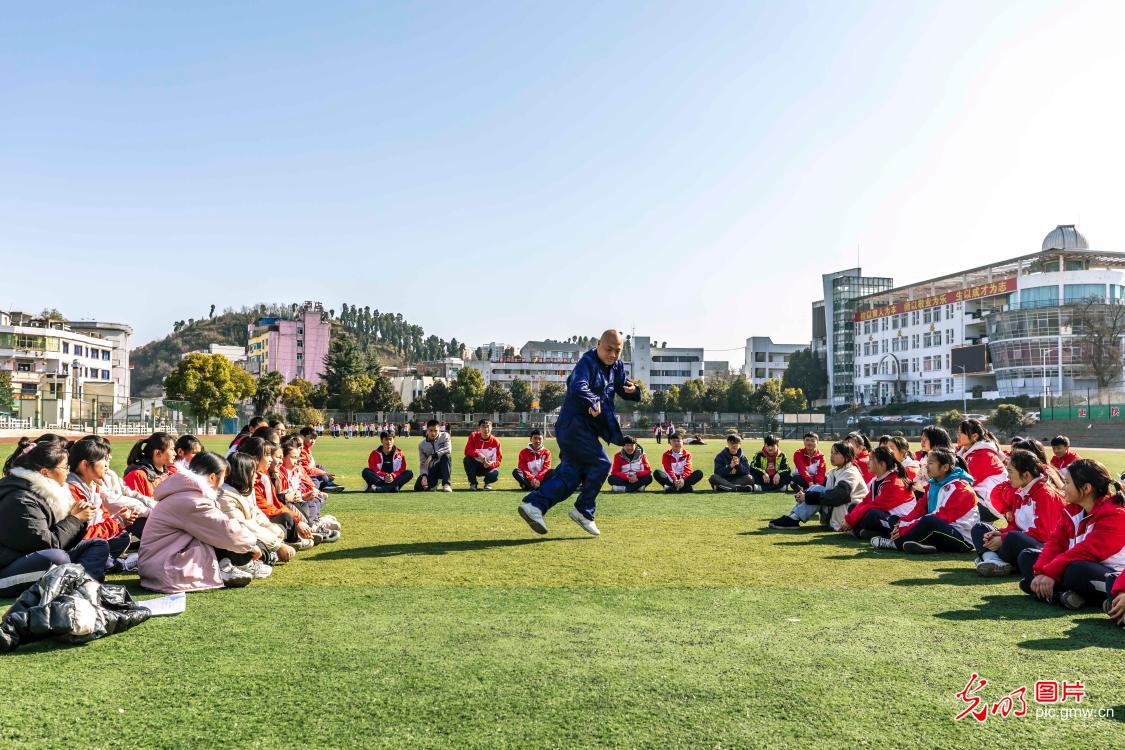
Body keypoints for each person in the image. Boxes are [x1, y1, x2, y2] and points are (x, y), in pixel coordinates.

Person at [517, 330, 641, 536]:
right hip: (572, 427)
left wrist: (634, 390)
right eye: (608, 349)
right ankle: (583, 511)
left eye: (617, 351)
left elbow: (621, 386)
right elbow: (577, 385)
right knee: (602, 463)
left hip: (588, 430)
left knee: (572, 475)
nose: (612, 355)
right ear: (599, 344)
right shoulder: (587, 362)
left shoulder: (616, 366)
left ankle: (535, 506)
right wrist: (592, 399)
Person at [138, 451, 264, 591]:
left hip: (157, 565)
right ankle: (224, 570)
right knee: (239, 546)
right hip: (168, 569)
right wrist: (252, 544)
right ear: (211, 477)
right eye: (223, 478)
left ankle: (225, 567)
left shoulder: (185, 492)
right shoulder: (193, 500)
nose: (223, 483)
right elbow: (225, 531)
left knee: (231, 540)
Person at [0, 438, 110, 597]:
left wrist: (77, 516)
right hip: (6, 569)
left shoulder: (44, 491)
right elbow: (46, 544)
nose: (68, 471)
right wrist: (75, 519)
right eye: (65, 467)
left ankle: (85, 587)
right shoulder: (20, 499)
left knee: (98, 545)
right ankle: (75, 585)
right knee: (57, 559)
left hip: (32, 557)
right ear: (45, 472)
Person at [1018, 459, 1125, 609]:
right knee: (1028, 556)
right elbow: (1055, 543)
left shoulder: (1115, 515)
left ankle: (1061, 594)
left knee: (1077, 569)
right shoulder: (1072, 510)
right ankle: (1066, 595)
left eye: (1067, 483)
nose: (1063, 487)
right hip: (1075, 562)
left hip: (1111, 574)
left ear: (1086, 488)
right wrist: (1041, 572)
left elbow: (1087, 552)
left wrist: (1050, 573)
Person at [971, 449, 1067, 577]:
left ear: (1026, 475)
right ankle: (994, 560)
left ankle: (992, 559)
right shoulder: (1020, 492)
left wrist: (1004, 538)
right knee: (979, 528)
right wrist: (1000, 532)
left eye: (1010, 471)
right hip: (1020, 540)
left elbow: (1045, 534)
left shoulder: (1045, 495)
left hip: (1042, 547)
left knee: (1013, 537)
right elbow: (1015, 525)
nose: (1007, 476)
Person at [870, 448, 978, 554]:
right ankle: (926, 545)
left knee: (929, 521)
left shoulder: (962, 489)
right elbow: (919, 509)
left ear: (945, 467)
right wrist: (902, 523)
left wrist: (906, 527)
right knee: (895, 520)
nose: (926, 466)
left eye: (931, 463)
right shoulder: (933, 484)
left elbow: (942, 517)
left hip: (962, 539)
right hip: (939, 531)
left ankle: (894, 544)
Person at [66, 437, 135, 574]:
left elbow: (103, 517)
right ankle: (107, 563)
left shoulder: (93, 486)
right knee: (101, 546)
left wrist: (119, 520)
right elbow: (83, 535)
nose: (106, 465)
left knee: (123, 537)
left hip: (93, 539)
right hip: (76, 544)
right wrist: (119, 521)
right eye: (102, 460)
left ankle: (105, 561)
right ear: (85, 464)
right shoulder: (72, 491)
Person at [217, 452, 295, 566]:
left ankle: (271, 552)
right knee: (254, 547)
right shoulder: (225, 496)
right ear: (243, 474)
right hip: (239, 537)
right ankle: (268, 556)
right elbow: (243, 526)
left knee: (281, 527)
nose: (257, 476)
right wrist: (278, 545)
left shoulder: (246, 489)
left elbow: (257, 514)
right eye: (253, 472)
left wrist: (272, 529)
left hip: (251, 533)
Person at [769, 441, 867, 530]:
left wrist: (807, 497)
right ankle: (793, 517)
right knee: (815, 489)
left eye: (836, 453)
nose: (832, 456)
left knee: (817, 490)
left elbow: (838, 496)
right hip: (838, 512)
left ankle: (793, 519)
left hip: (849, 517)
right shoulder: (835, 471)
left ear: (847, 456)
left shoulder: (850, 472)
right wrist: (805, 494)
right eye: (832, 453)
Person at [237, 437, 314, 550]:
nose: (270, 460)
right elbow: (263, 510)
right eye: (269, 455)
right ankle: (289, 540)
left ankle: (305, 530)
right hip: (250, 529)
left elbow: (272, 504)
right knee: (285, 520)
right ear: (255, 457)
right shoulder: (254, 479)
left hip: (260, 520)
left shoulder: (264, 475)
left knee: (299, 508)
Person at [838, 446, 918, 540]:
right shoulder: (877, 479)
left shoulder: (894, 483)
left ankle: (866, 532)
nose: (868, 462)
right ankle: (864, 532)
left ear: (882, 464)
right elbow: (866, 502)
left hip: (899, 521)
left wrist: (850, 521)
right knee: (854, 507)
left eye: (871, 459)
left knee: (871, 515)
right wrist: (849, 519)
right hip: (886, 514)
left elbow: (874, 506)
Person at [957, 419, 1007, 521]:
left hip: (990, 506)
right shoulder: (965, 453)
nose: (958, 435)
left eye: (961, 432)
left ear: (974, 436)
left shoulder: (984, 454)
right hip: (981, 500)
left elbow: (965, 482)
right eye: (958, 432)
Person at [122, 432, 175, 497]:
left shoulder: (169, 475)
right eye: (172, 449)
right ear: (158, 453)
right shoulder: (136, 476)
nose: (175, 453)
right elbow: (131, 505)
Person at [299, 427, 344, 493]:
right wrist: (324, 474)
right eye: (311, 438)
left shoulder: (307, 448)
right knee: (320, 479)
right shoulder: (301, 450)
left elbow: (312, 466)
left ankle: (326, 485)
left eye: (314, 439)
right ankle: (325, 485)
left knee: (320, 467)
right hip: (305, 474)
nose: (313, 441)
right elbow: (306, 469)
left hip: (309, 471)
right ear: (303, 437)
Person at [463, 419, 502, 490]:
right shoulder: (473, 436)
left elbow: (498, 460)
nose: (486, 429)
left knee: (494, 474)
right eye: (483, 426)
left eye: (488, 426)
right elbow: (467, 451)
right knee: (467, 459)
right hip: (475, 465)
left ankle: (487, 482)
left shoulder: (496, 442)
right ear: (479, 428)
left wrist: (489, 464)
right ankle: (473, 483)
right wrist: (479, 455)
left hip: (488, 467)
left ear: (491, 428)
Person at [416, 419, 453, 492]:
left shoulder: (445, 436)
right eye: (431, 430)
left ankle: (446, 484)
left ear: (439, 429)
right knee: (418, 487)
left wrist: (433, 456)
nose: (433, 433)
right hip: (432, 469)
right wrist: (424, 475)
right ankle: (437, 481)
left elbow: (448, 449)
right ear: (427, 430)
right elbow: (423, 463)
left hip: (443, 465)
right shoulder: (422, 445)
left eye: (436, 430)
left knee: (446, 456)